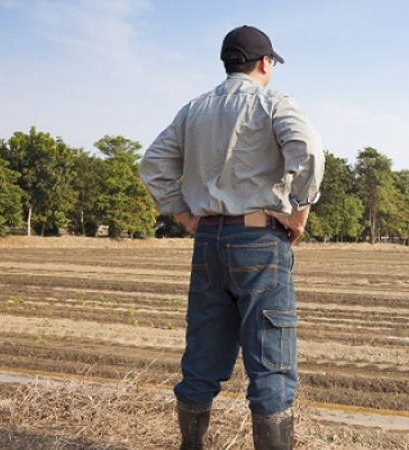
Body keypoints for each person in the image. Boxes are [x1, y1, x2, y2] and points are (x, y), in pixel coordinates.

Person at [139, 25, 324, 450]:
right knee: (271, 366)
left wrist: (186, 217)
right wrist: (300, 211)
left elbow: (153, 164)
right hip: (260, 239)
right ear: (265, 63)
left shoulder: (194, 109)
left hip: (208, 243)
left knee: (202, 359)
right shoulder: (273, 101)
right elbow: (308, 150)